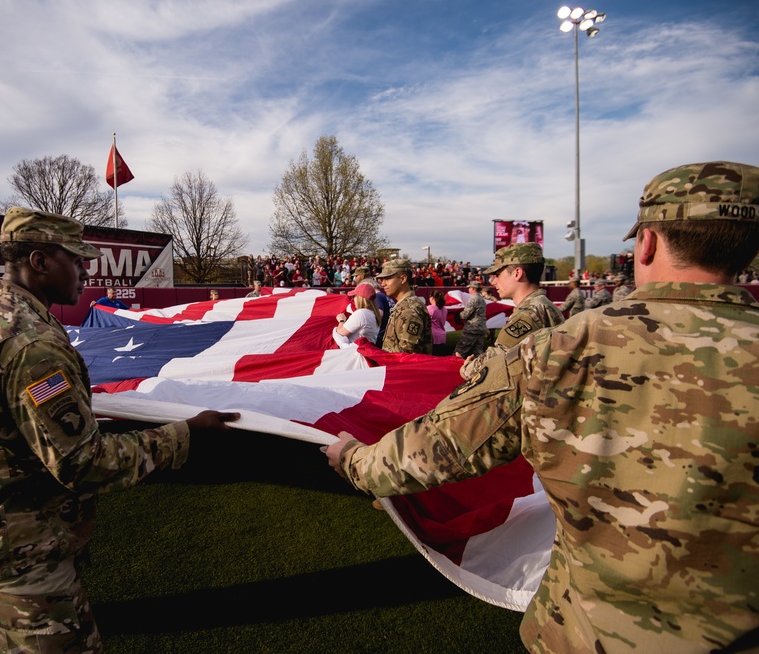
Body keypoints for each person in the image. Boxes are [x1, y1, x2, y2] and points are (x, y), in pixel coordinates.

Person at [324, 161, 759, 652]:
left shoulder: (565, 348)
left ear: (648, 243)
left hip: (591, 634)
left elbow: (443, 445)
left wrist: (355, 462)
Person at [0, 207, 239, 653]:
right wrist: (186, 434)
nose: (86, 270)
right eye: (75, 259)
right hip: (15, 543)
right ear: (39, 261)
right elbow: (83, 463)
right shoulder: (31, 344)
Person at [462, 243, 564, 379]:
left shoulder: (528, 313)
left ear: (517, 273)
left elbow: (497, 359)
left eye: (497, 275)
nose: (493, 282)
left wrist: (467, 368)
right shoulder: (543, 305)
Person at [376, 259, 431, 354]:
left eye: (387, 278)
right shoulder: (405, 304)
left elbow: (407, 353)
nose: (383, 283)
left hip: (403, 367)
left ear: (403, 279)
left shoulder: (409, 309)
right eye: (382, 279)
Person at [333, 282, 381, 347]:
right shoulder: (373, 313)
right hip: (363, 352)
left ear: (359, 298)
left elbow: (340, 333)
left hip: (354, 353)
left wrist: (341, 321)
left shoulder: (361, 313)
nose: (353, 299)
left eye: (354, 296)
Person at [353, 266, 391, 347]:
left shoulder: (377, 297)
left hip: (380, 336)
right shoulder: (382, 296)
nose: (355, 278)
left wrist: (361, 318)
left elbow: (379, 314)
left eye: (356, 276)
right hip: (384, 335)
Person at [453, 281, 486, 360]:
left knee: (460, 351)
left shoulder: (473, 300)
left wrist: (457, 314)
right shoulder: (482, 299)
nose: (469, 289)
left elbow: (465, 314)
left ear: (473, 288)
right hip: (481, 328)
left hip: (472, 329)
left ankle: (454, 367)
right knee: (478, 352)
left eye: (470, 288)